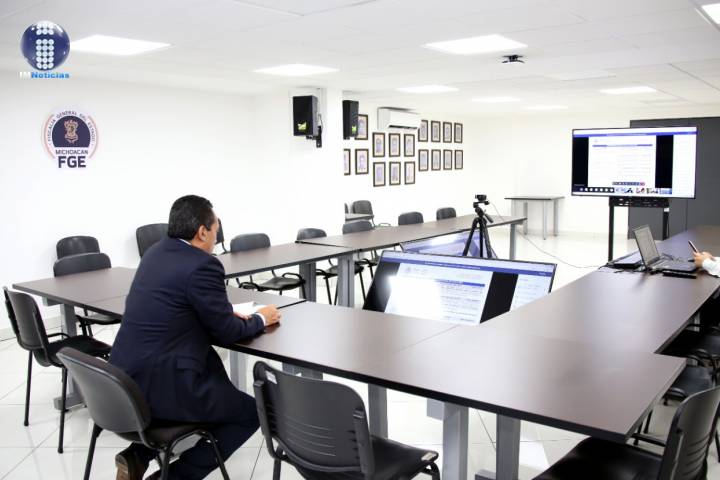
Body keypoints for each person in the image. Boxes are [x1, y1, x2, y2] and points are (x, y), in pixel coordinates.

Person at [110, 195, 281, 480]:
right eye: (215, 229)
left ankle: (137, 456)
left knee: (217, 399)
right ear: (202, 231)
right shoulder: (203, 265)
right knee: (250, 413)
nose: (216, 237)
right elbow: (227, 331)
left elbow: (177, 304)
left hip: (125, 379)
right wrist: (261, 318)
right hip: (164, 382)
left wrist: (222, 312)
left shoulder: (155, 252)